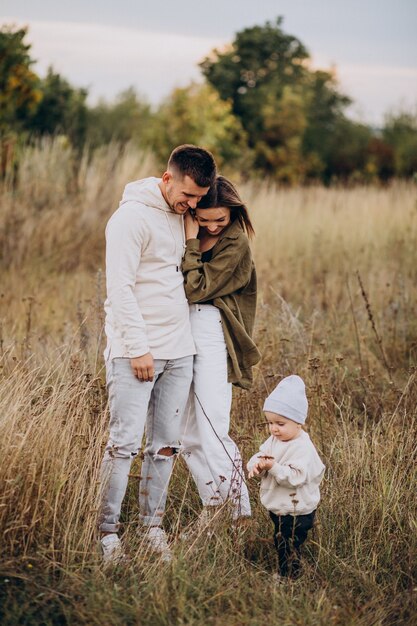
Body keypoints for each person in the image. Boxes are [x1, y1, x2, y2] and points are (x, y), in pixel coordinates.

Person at [98, 145, 217, 564]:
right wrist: (138, 348)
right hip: (138, 352)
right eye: (187, 195)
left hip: (179, 350)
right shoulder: (130, 218)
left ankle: (152, 527)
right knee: (124, 445)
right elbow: (120, 289)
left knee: (166, 446)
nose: (193, 205)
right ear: (167, 178)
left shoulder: (182, 216)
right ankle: (108, 534)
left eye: (200, 198)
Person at [181, 176, 261, 526]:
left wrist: (190, 240)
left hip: (213, 329)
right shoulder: (189, 230)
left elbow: (197, 289)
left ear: (233, 213)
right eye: (204, 219)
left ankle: (240, 511)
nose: (212, 225)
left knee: (213, 426)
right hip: (181, 330)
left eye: (220, 219)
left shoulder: (236, 243)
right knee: (185, 434)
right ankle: (214, 505)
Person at [247, 375, 325, 579]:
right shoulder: (275, 439)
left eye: (280, 423)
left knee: (288, 542)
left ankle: (289, 575)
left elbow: (295, 478)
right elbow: (261, 454)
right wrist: (256, 464)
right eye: (270, 423)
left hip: (297, 509)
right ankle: (288, 568)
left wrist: (272, 467)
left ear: (298, 422)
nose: (273, 428)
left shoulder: (303, 448)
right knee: (280, 536)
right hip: (280, 506)